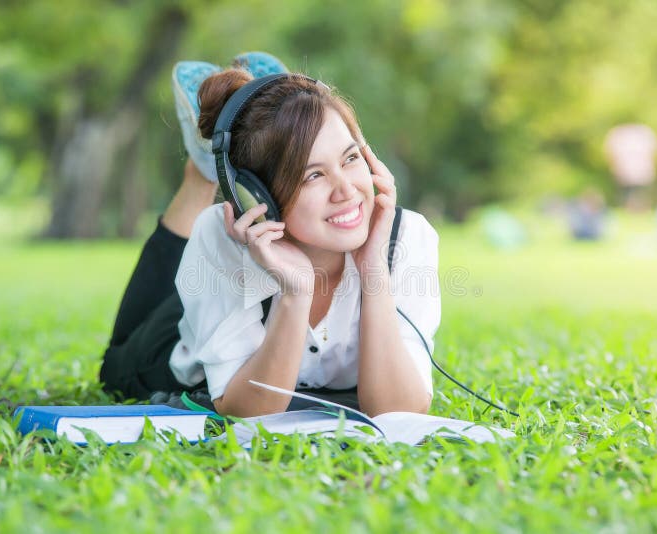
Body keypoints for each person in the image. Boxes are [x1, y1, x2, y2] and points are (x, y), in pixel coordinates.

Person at [99, 53, 441, 418]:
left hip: (239, 294)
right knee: (115, 368)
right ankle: (203, 174)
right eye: (313, 175)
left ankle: (263, 115)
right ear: (257, 195)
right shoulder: (221, 236)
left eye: (350, 158)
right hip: (186, 340)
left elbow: (400, 412)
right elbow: (246, 412)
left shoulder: (404, 236)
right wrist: (296, 292)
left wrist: (374, 270)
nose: (346, 191)